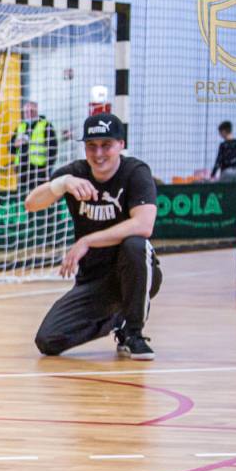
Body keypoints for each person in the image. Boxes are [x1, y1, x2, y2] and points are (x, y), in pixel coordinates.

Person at [25, 112, 160, 361]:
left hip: (135, 272)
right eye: (91, 146)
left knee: (135, 245)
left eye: (106, 145)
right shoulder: (75, 173)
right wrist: (62, 183)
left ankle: (134, 333)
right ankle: (118, 320)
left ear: (121, 144)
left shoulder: (135, 172)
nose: (98, 154)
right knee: (48, 340)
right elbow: (31, 204)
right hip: (94, 280)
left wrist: (87, 241)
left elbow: (144, 225)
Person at [8, 100, 58, 191]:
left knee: (39, 195)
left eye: (32, 111)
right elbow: (10, 148)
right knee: (23, 195)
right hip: (22, 170)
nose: (29, 114)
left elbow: (53, 150)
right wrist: (15, 144)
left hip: (39, 171)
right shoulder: (21, 127)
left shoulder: (45, 125)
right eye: (26, 112)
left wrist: (47, 169)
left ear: (37, 111)